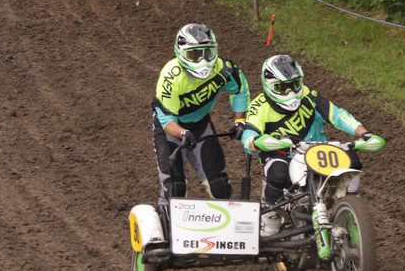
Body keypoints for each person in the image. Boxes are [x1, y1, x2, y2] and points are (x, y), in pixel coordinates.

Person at [240, 54, 375, 228]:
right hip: (282, 156)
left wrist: (364, 133)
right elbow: (249, 135)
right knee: (278, 172)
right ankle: (269, 218)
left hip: (317, 153)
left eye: (294, 85)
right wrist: (256, 142)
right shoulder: (259, 106)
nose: (290, 92)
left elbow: (337, 115)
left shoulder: (310, 96)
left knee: (352, 159)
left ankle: (350, 206)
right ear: (269, 86)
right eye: (282, 87)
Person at [152, 23, 250, 208]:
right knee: (175, 188)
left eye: (208, 53)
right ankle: (165, 220)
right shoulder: (171, 77)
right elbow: (166, 120)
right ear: (181, 53)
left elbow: (239, 90)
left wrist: (240, 121)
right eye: (195, 54)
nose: (203, 61)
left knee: (220, 187)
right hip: (170, 129)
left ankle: (232, 223)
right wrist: (182, 133)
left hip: (200, 123)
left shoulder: (225, 69)